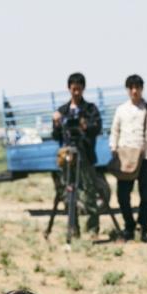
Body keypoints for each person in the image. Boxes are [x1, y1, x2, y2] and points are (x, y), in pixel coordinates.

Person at [110, 74, 147, 242]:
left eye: (137, 87)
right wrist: (113, 150)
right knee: (122, 196)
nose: (134, 91)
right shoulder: (121, 109)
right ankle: (129, 226)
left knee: (146, 195)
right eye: (131, 88)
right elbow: (115, 131)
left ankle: (143, 227)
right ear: (127, 89)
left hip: (146, 157)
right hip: (125, 158)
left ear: (142, 89)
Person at [51, 72, 104, 237]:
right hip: (69, 157)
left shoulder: (90, 109)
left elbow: (97, 128)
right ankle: (73, 228)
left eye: (79, 89)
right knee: (69, 193)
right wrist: (56, 123)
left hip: (85, 156)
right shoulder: (63, 111)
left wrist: (85, 125)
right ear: (69, 88)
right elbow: (56, 136)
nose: (76, 92)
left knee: (90, 192)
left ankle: (93, 229)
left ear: (83, 89)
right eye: (73, 89)